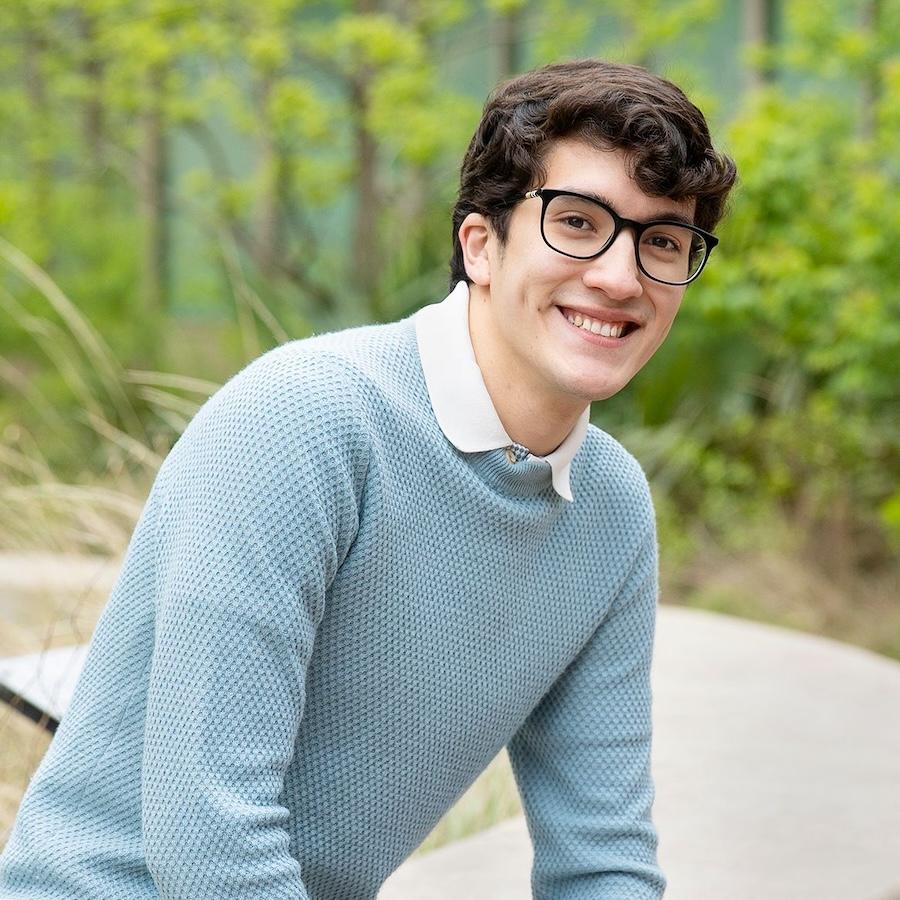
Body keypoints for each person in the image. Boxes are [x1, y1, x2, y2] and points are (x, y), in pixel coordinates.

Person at [0, 59, 736, 899]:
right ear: (480, 246)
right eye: (576, 222)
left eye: (662, 242)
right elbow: (209, 847)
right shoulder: (303, 421)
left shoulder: (609, 506)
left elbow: (602, 858)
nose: (620, 275)